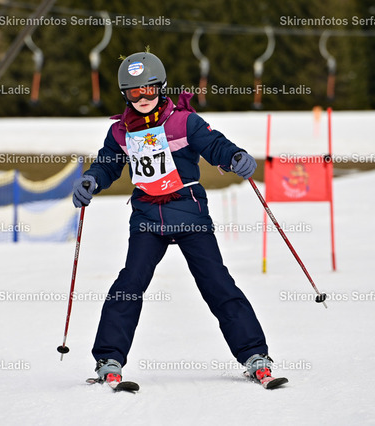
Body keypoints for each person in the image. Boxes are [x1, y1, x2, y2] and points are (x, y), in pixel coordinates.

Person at [72, 52, 286, 389]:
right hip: (147, 218)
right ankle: (108, 359)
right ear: (125, 95)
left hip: (189, 214)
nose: (142, 98)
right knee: (129, 284)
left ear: (161, 87)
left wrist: (234, 156)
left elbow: (214, 145)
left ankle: (254, 355)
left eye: (149, 89)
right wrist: (91, 180)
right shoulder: (120, 132)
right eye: (133, 92)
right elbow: (107, 164)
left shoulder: (183, 122)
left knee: (217, 282)